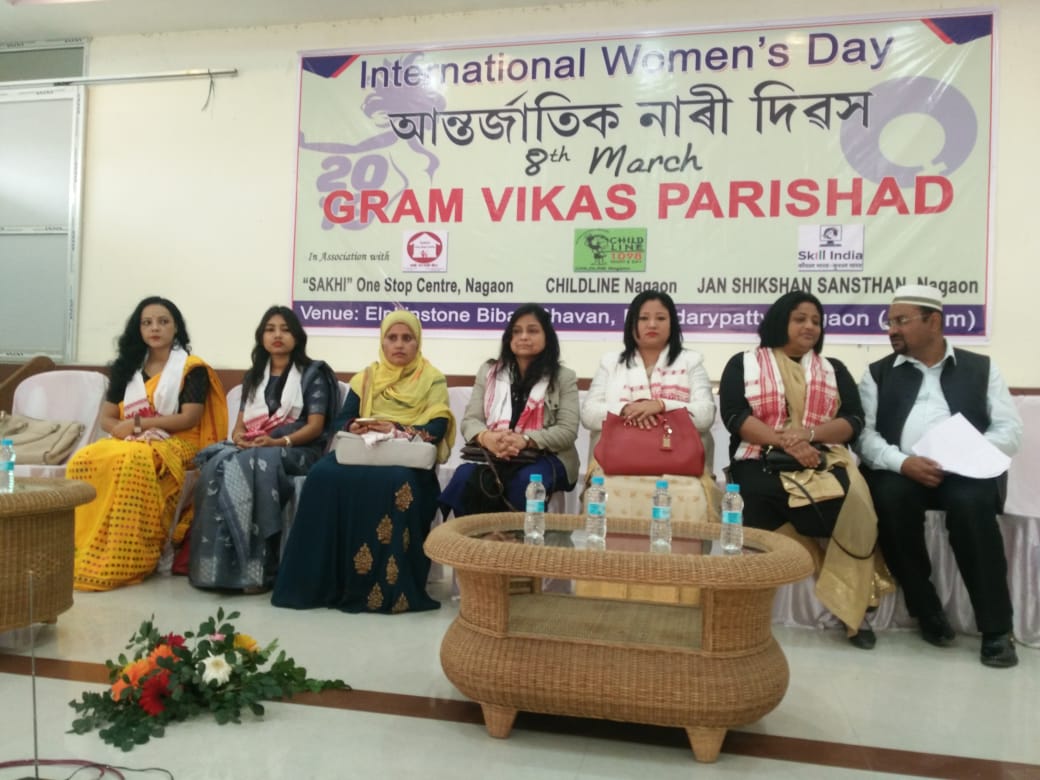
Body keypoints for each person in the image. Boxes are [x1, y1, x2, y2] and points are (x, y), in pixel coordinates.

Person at [856, 285, 1023, 668]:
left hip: (965, 471)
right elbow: (865, 436)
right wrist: (903, 463)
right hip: (903, 470)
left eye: (901, 321)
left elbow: (1009, 430)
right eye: (889, 322)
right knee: (889, 499)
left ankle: (997, 629)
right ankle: (926, 608)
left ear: (934, 322)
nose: (892, 330)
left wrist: (965, 452)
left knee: (972, 507)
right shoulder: (878, 373)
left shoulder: (982, 368)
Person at [719, 290, 892, 649]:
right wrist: (787, 442)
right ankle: (849, 597)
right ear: (779, 321)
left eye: (815, 321)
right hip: (759, 456)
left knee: (851, 503)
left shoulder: (834, 369)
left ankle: (853, 603)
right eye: (800, 319)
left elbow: (853, 421)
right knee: (757, 498)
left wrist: (809, 436)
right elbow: (735, 416)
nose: (810, 326)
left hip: (823, 455)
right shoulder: (744, 363)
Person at [271, 310, 455, 614]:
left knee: (398, 481)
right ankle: (318, 585)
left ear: (418, 342)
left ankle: (390, 590)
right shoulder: (366, 378)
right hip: (363, 451)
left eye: (407, 338)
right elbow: (341, 421)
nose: (399, 344)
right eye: (392, 338)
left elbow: (437, 426)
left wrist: (394, 428)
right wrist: (355, 426)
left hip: (405, 456)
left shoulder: (432, 379)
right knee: (321, 475)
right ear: (382, 343)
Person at [67, 296, 226, 591]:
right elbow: (108, 418)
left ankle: (128, 555)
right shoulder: (127, 367)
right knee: (84, 460)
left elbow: (189, 418)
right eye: (147, 323)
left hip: (179, 442)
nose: (155, 328)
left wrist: (140, 425)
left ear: (176, 328)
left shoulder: (191, 368)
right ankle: (86, 547)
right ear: (138, 329)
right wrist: (126, 431)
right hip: (131, 440)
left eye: (163, 322)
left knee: (134, 461)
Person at [188, 306, 339, 592]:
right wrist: (240, 439)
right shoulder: (254, 376)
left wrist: (277, 441)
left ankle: (256, 570)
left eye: (285, 329)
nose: (277, 335)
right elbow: (239, 427)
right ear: (261, 337)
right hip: (257, 446)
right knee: (216, 462)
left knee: (254, 463)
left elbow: (315, 427)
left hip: (298, 449)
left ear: (297, 336)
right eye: (270, 329)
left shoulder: (313, 374)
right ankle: (215, 568)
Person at [439, 303, 579, 517]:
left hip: (545, 456)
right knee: (464, 477)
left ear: (547, 337)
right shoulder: (489, 372)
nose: (524, 337)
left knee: (527, 482)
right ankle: (473, 537)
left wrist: (526, 440)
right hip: (495, 455)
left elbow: (567, 431)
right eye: (517, 331)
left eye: (532, 331)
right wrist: (487, 438)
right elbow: (470, 421)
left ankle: (519, 539)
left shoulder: (563, 377)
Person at [580, 289, 717, 501]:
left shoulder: (691, 362)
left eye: (660, 318)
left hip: (677, 457)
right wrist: (627, 410)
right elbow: (589, 415)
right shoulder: (611, 362)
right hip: (619, 456)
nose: (652, 325)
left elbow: (705, 415)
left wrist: (661, 406)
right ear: (631, 324)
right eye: (643, 318)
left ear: (672, 324)